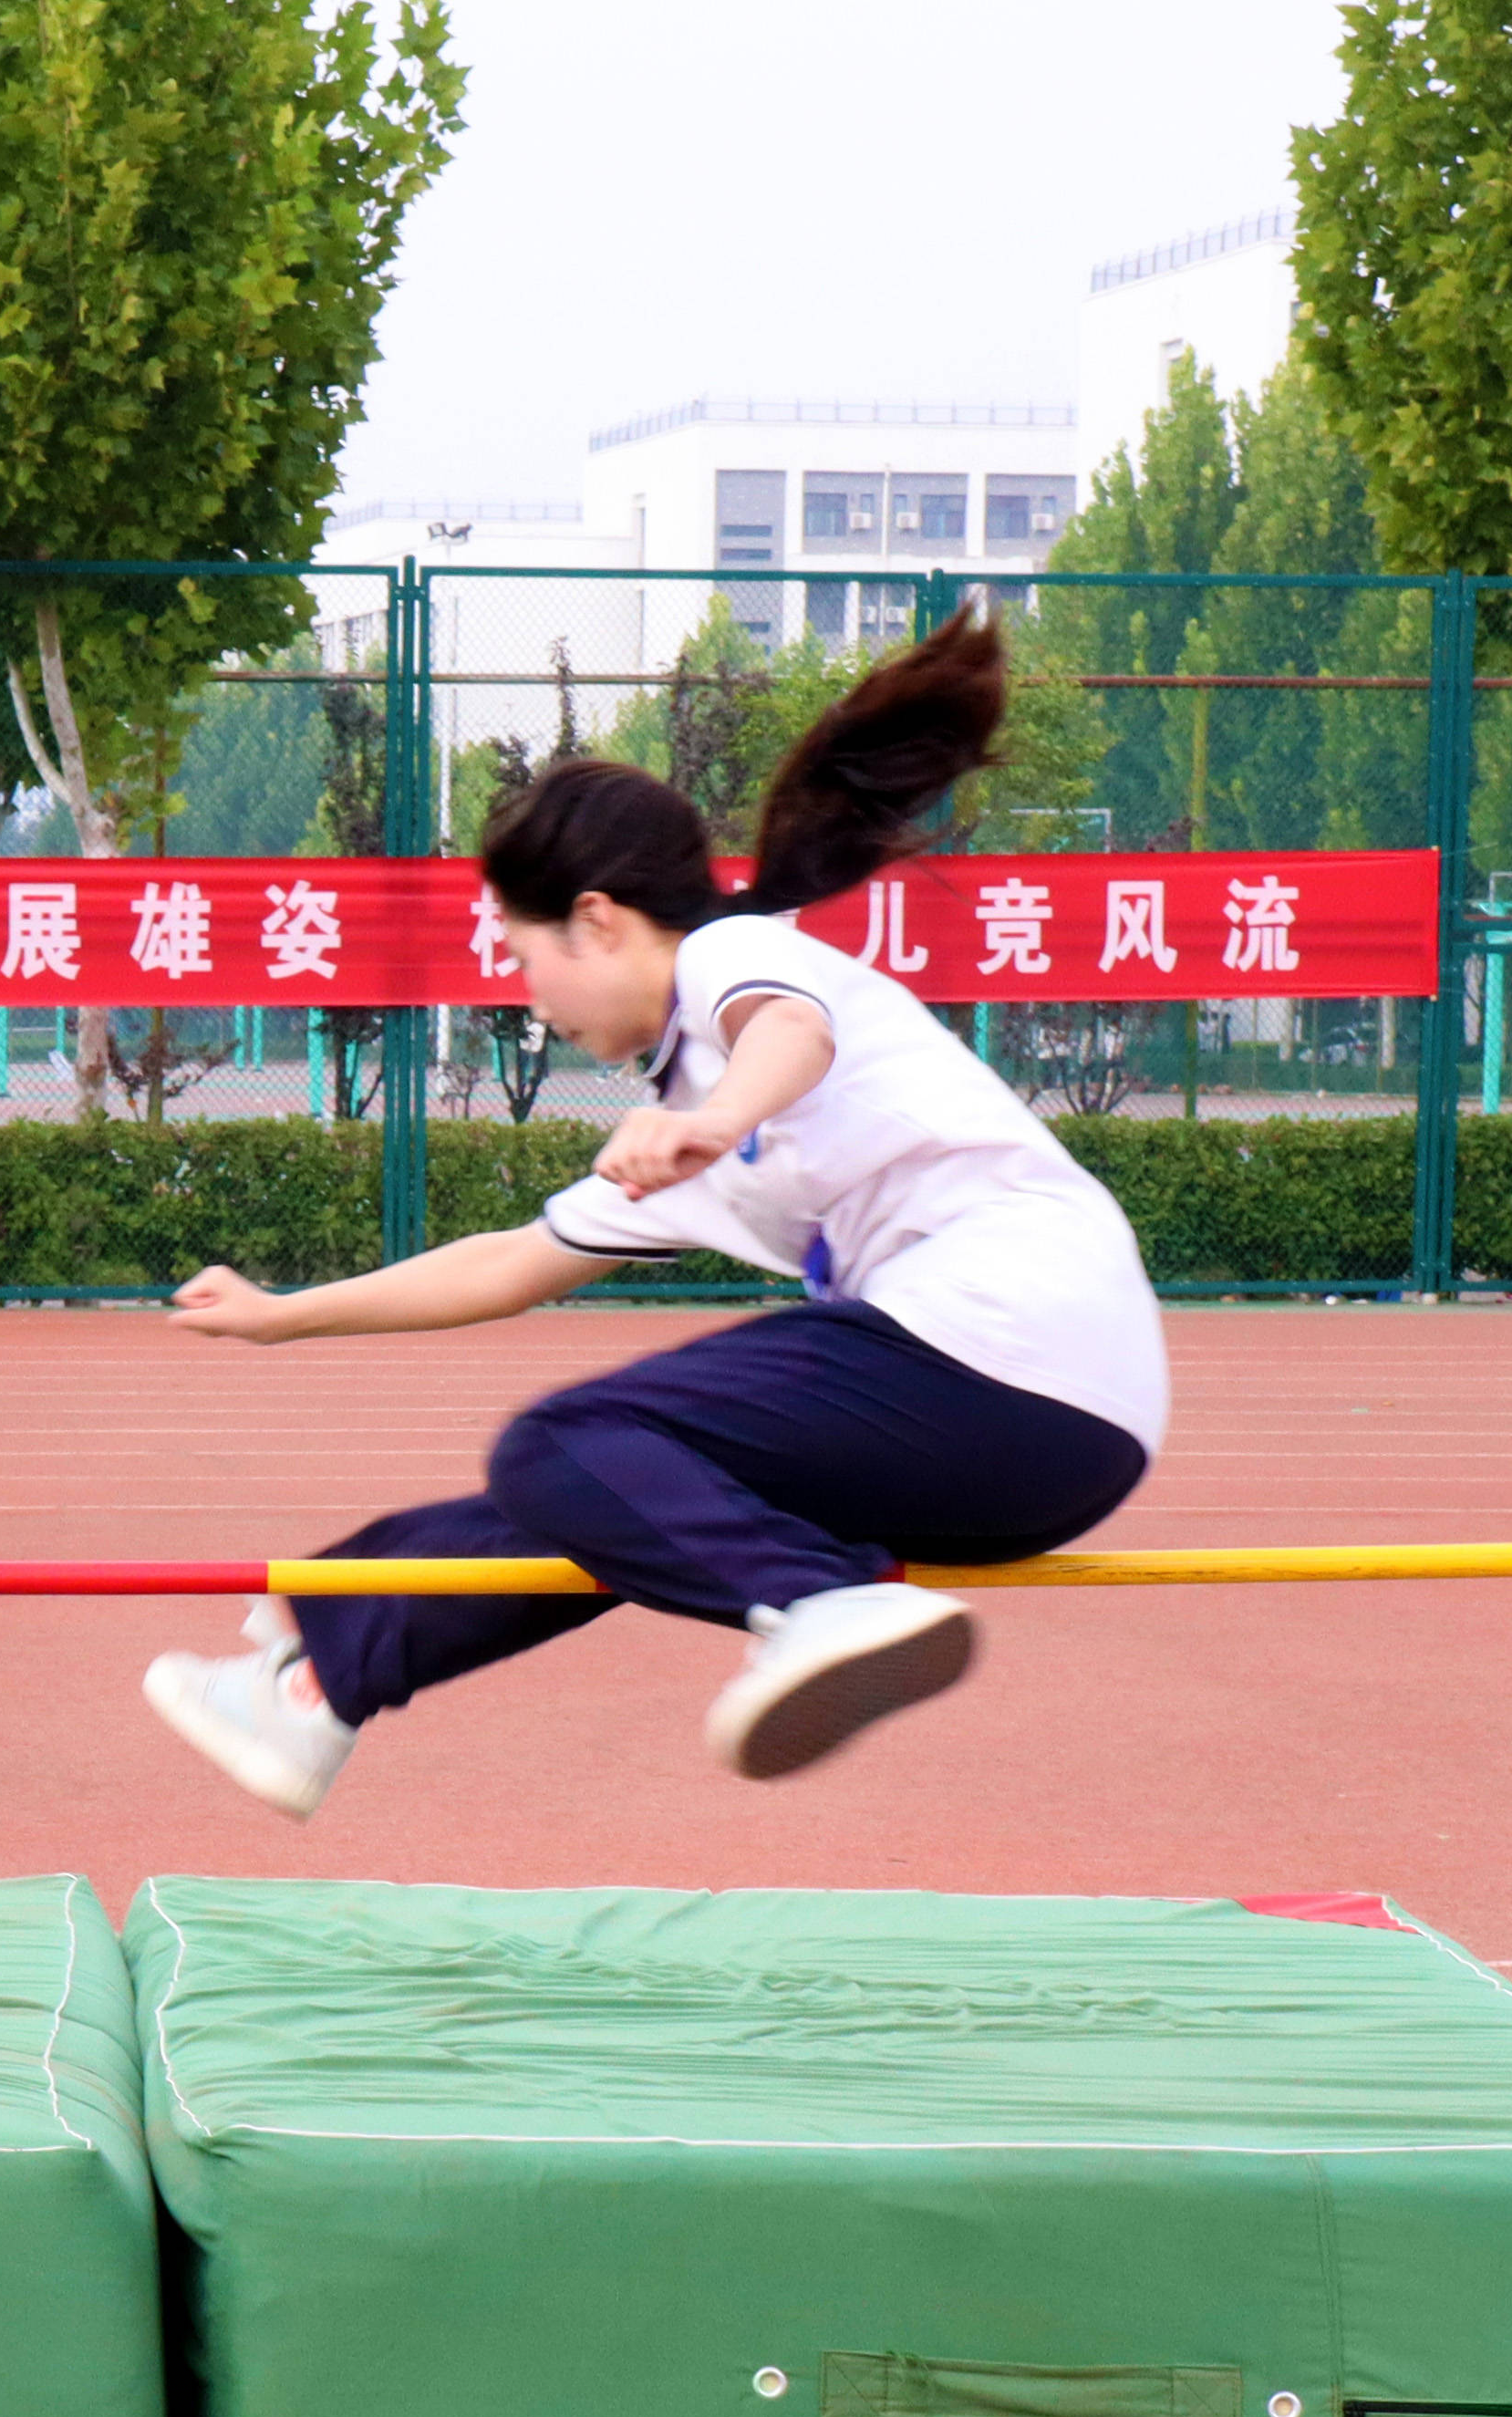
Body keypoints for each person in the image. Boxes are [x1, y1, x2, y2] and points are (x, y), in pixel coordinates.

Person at [140, 609, 1165, 1818]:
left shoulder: (732, 961)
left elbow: (788, 1034)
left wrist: (714, 1121)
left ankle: (824, 1603)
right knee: (598, 1489)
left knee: (564, 1443)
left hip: (999, 1354)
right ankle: (317, 1689)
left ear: (598, 919)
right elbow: (514, 1262)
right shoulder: (683, 1096)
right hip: (1051, 1444)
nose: (528, 1001)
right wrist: (281, 1317)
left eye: (524, 961)